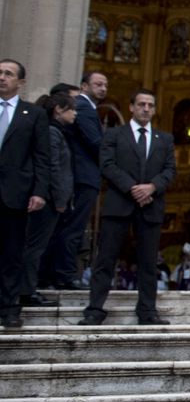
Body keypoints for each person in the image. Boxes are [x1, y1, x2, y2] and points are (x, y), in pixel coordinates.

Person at [79, 88, 176, 325]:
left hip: (150, 206)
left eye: (150, 105)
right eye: (141, 104)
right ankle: (95, 309)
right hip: (119, 203)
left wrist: (151, 187)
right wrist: (134, 188)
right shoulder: (114, 135)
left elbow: (170, 170)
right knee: (106, 259)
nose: (146, 109)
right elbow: (107, 165)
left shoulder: (164, 139)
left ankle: (147, 310)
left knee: (148, 262)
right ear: (131, 107)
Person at [1, 63, 54, 328]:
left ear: (21, 82)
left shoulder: (32, 114)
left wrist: (39, 191)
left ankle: (10, 307)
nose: (2, 78)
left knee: (12, 253)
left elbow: (42, 157)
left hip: (15, 194)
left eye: (8, 74)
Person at [42, 70, 106, 290]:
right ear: (84, 86)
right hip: (83, 177)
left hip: (80, 176)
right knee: (73, 228)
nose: (103, 88)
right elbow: (96, 143)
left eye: (105, 85)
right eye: (98, 84)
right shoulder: (84, 106)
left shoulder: (86, 108)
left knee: (67, 227)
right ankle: (64, 274)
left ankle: (55, 272)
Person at [20, 91, 75, 307]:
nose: (75, 114)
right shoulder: (52, 133)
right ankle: (26, 290)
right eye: (72, 109)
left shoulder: (54, 132)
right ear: (59, 110)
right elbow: (53, 168)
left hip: (50, 198)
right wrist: (60, 199)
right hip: (48, 200)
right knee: (34, 246)